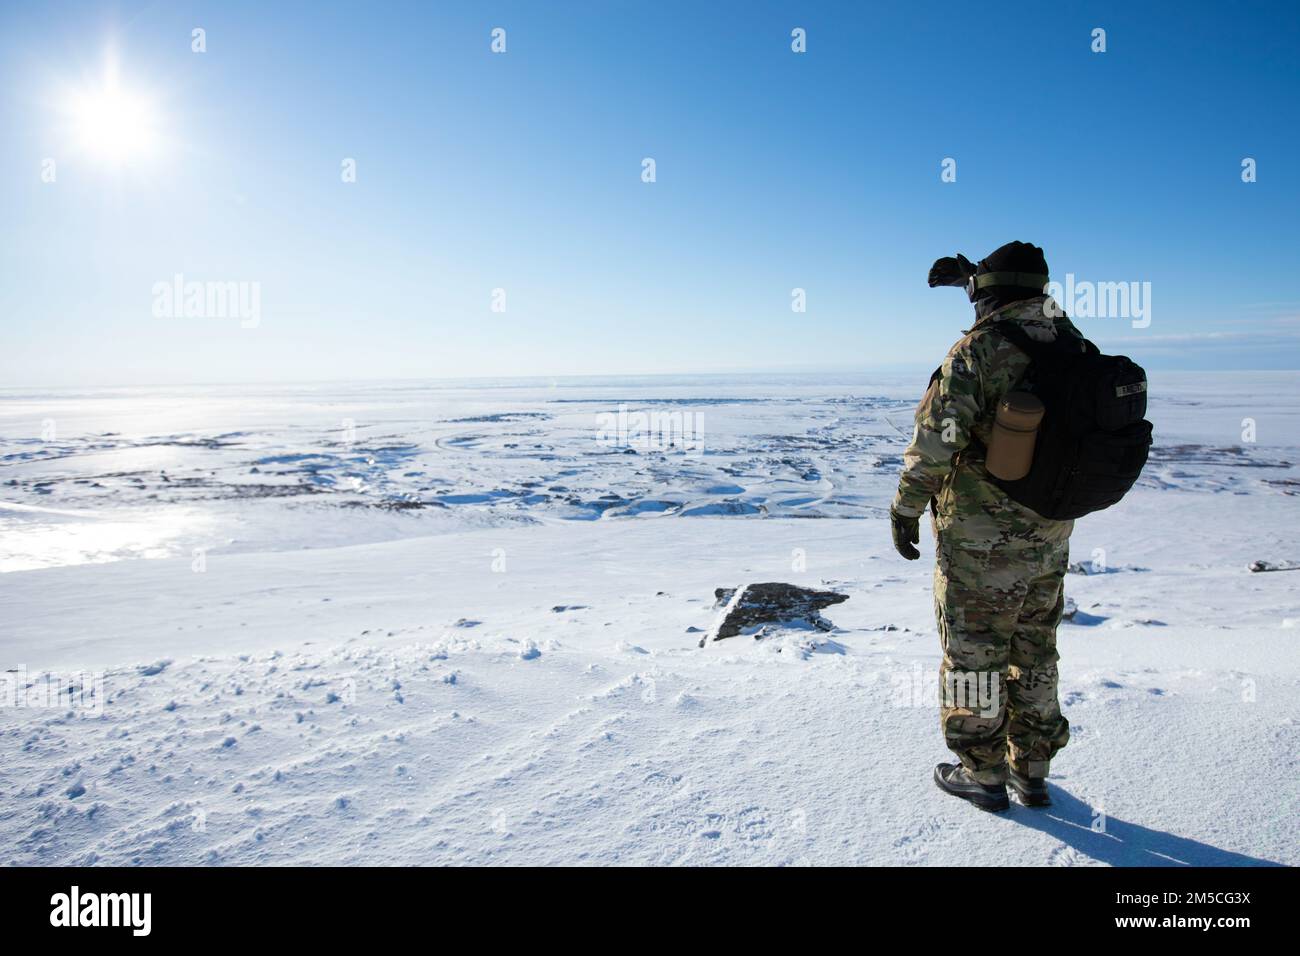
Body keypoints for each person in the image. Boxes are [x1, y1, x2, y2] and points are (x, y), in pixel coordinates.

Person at [891, 241, 1081, 812]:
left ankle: (983, 773)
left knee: (974, 656)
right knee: (1035, 649)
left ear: (987, 297)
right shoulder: (1070, 342)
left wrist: (905, 508)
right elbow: (1016, 303)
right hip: (1049, 535)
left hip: (980, 544)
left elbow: (937, 441)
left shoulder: (979, 350)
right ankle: (1034, 768)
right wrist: (978, 276)